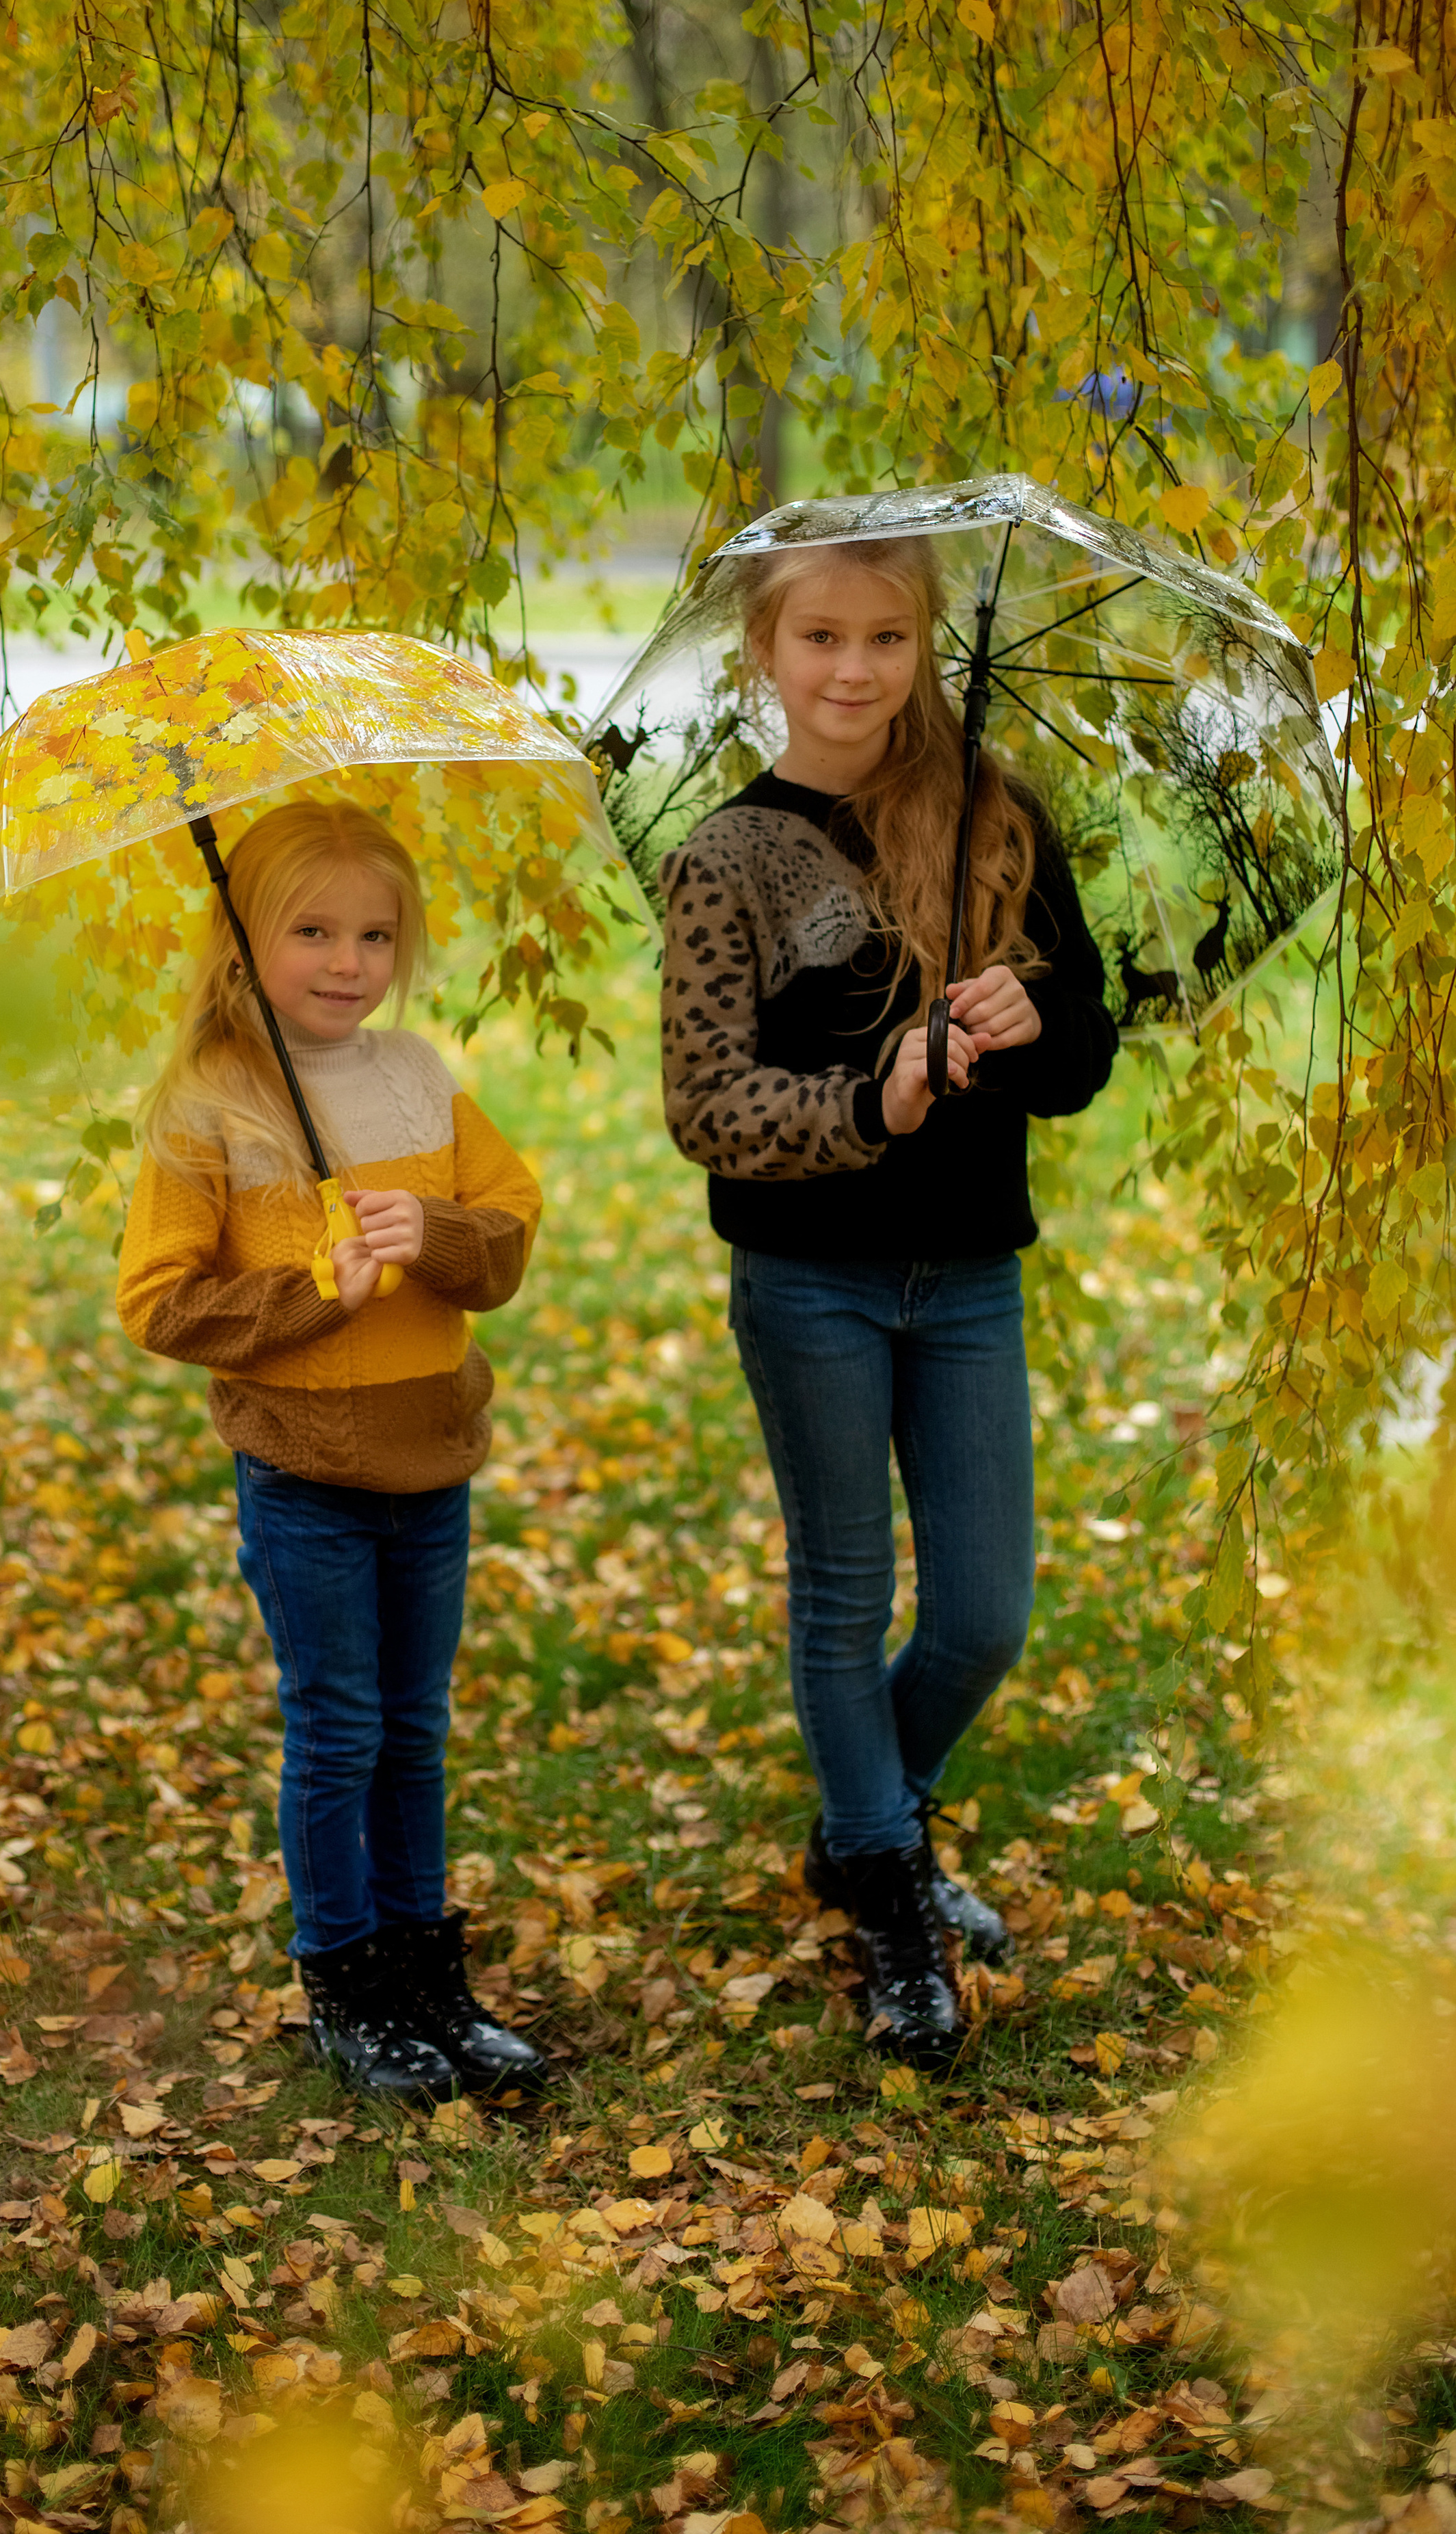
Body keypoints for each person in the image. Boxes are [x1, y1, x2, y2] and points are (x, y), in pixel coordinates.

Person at [659, 536, 1117, 2074]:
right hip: (810, 1287)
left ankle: (863, 1834)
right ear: (762, 654)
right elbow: (708, 1103)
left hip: (969, 1277)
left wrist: (1029, 1009)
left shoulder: (995, 819)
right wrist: (880, 1097)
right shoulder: (728, 855)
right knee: (844, 1597)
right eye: (818, 639)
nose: (850, 672)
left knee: (982, 1611)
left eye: (884, 641)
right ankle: (895, 1913)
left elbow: (1081, 1057)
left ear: (924, 650)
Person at [117, 800, 546, 2106]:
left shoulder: (417, 1077)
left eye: (374, 934)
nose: (347, 961)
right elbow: (159, 1303)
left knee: (414, 1728)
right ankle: (345, 1980)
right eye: (311, 931)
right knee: (341, 1728)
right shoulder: (211, 1110)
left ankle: (426, 1967)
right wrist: (317, 1291)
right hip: (305, 1475)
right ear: (242, 941)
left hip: (434, 1463)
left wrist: (439, 1233)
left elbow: (512, 1225)